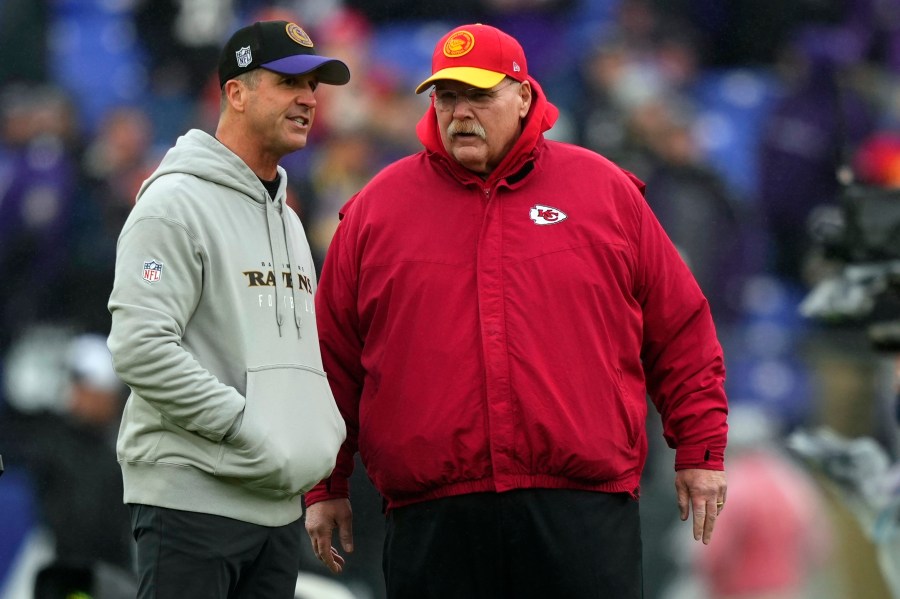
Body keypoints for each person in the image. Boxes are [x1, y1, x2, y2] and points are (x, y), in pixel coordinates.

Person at [304, 23, 729, 598]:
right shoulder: (378, 210)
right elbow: (333, 361)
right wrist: (326, 484)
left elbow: (679, 330)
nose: (460, 113)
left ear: (524, 94)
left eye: (480, 96)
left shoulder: (604, 192)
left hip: (581, 509)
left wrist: (700, 450)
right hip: (435, 516)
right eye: (448, 97)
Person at [106, 20, 349, 599]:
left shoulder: (288, 217)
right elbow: (139, 347)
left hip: (273, 505)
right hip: (193, 500)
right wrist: (244, 426)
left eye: (314, 86)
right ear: (235, 92)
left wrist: (307, 440)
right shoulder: (174, 202)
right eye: (288, 83)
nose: (308, 100)